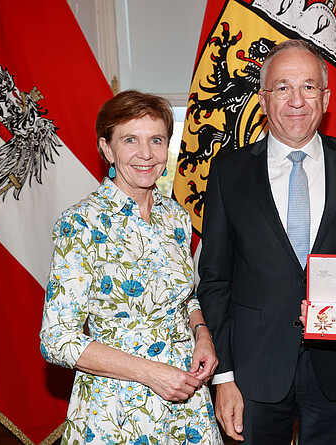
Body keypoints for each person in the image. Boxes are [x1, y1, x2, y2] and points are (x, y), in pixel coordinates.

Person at [197, 39, 336, 444]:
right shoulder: (228, 172)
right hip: (253, 369)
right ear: (264, 100)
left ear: (326, 97)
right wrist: (224, 376)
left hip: (335, 368)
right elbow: (215, 279)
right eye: (282, 87)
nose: (296, 100)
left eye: (308, 87)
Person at [40, 90, 223, 444]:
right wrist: (151, 373)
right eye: (130, 140)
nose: (146, 153)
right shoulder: (80, 223)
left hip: (187, 402)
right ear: (106, 148)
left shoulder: (175, 217)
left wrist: (203, 335)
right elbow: (57, 339)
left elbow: (185, 297)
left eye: (156, 140)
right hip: (116, 411)